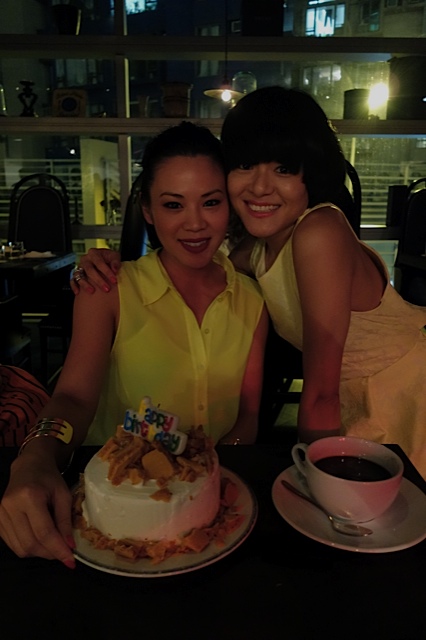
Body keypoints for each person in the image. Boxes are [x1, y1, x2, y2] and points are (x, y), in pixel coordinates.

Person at [74, 86, 426, 479]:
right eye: (245, 165)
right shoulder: (256, 250)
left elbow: (320, 393)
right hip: (348, 402)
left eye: (284, 169)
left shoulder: (319, 232)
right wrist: (101, 264)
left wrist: (314, 487)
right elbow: (198, 262)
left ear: (311, 174)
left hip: (401, 397)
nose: (260, 187)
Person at [0, 122, 268, 566]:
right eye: (173, 204)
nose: (195, 223)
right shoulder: (108, 289)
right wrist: (36, 456)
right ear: (147, 209)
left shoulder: (252, 301)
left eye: (211, 202)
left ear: (230, 207)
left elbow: (249, 415)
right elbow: (73, 397)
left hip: (212, 522)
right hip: (115, 516)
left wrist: (204, 485)